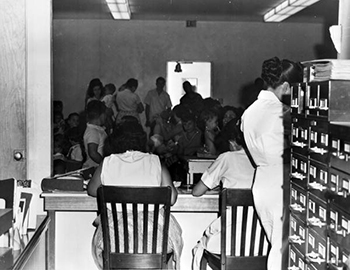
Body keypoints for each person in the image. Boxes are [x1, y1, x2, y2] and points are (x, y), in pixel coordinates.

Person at [87, 121, 183, 270]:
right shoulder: (155, 161)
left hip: (116, 240)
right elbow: (171, 198)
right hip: (154, 241)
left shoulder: (107, 162)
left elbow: (92, 190)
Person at [241, 56, 303, 270]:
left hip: (261, 183)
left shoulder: (249, 112)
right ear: (285, 86)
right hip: (281, 182)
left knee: (276, 243)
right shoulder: (283, 113)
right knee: (282, 249)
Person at [191, 127, 256, 270]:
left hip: (229, 242)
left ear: (232, 142)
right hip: (259, 244)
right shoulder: (263, 160)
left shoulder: (227, 157)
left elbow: (197, 191)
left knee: (199, 248)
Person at [83, 100, 108, 168]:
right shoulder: (93, 132)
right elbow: (93, 153)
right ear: (102, 115)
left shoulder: (97, 129)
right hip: (94, 167)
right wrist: (104, 163)